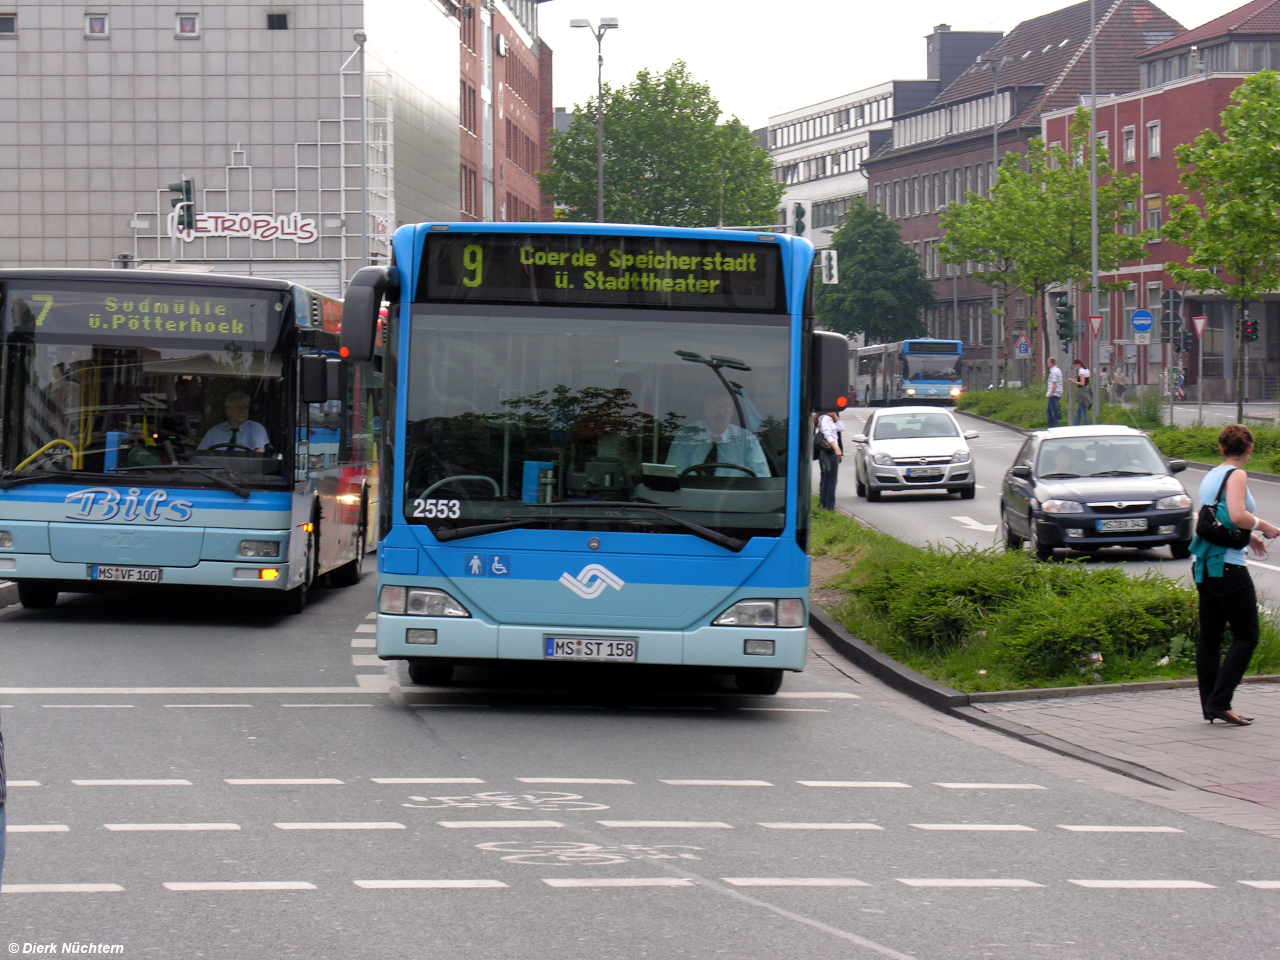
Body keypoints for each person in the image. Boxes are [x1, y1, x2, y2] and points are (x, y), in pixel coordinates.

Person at [1189, 425, 1279, 726]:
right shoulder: (1238, 475)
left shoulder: (1212, 475)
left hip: (1204, 563)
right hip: (1227, 565)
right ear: (1250, 449)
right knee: (1247, 635)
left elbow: (1214, 517)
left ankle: (1210, 705)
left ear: (1221, 448)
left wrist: (1248, 537)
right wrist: (1263, 527)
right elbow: (1239, 515)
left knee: (1211, 637)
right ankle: (1220, 701)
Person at [665, 391, 769, 478]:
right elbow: (674, 474)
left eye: (726, 406)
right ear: (704, 410)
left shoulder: (747, 440)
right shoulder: (687, 436)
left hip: (734, 498)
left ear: (732, 411)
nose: (721, 412)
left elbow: (761, 478)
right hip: (691, 498)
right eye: (714, 405)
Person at [198, 391, 270, 452]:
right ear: (227, 410)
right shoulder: (214, 432)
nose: (243, 411)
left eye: (246, 407)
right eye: (238, 407)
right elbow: (200, 456)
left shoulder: (256, 429)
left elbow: (260, 454)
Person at [816, 408, 843, 511]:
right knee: (831, 481)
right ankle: (829, 506)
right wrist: (836, 448)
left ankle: (823, 504)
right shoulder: (826, 419)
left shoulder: (825, 419)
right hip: (829, 453)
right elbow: (828, 435)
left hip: (826, 453)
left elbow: (841, 427)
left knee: (826, 479)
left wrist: (835, 416)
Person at [1070, 359, 1092, 425]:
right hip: (1086, 390)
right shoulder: (1086, 370)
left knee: (1083, 410)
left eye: (1075, 365)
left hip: (1082, 392)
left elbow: (1082, 383)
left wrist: (1074, 382)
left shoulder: (1081, 371)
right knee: (1078, 411)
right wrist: (1075, 380)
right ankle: (1075, 424)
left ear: (1078, 364)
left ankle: (1086, 424)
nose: (1075, 367)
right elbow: (1084, 380)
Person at [1045, 356, 1063, 428]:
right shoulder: (1057, 370)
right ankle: (1051, 425)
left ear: (1051, 363)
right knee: (1050, 410)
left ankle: (1054, 426)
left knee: (1053, 411)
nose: (1047, 364)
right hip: (1056, 393)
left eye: (1048, 363)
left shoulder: (1054, 372)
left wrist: (1051, 393)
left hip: (1054, 393)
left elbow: (1054, 383)